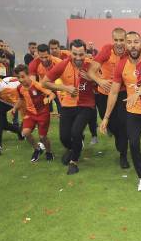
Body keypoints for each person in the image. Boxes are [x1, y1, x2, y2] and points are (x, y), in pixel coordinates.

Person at [100, 32, 141, 191]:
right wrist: (106, 117)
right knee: (134, 144)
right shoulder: (121, 65)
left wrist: (136, 93)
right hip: (133, 112)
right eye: (129, 42)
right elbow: (114, 92)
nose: (132, 45)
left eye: (136, 42)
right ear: (126, 45)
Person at [42, 39, 97, 175]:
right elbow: (45, 82)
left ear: (86, 53)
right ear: (69, 52)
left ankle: (74, 162)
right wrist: (64, 87)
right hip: (67, 105)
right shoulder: (63, 65)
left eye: (81, 54)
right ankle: (74, 147)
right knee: (64, 137)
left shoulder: (91, 65)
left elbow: (103, 83)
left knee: (76, 132)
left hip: (86, 105)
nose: (78, 58)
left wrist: (92, 79)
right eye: (75, 54)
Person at [88, 28, 130, 169]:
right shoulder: (106, 50)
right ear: (113, 40)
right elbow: (91, 71)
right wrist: (100, 81)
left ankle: (123, 155)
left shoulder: (129, 52)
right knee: (110, 123)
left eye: (121, 40)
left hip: (122, 93)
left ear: (126, 40)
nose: (119, 43)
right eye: (116, 40)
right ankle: (116, 133)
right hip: (104, 93)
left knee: (123, 125)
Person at [11, 65, 55, 162]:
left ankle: (49, 152)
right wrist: (15, 108)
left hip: (43, 114)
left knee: (42, 137)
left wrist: (48, 99)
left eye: (23, 76)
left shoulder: (37, 85)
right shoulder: (19, 88)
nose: (21, 79)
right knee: (25, 133)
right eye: (18, 77)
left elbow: (52, 94)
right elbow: (21, 99)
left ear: (28, 75)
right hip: (30, 114)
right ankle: (37, 149)